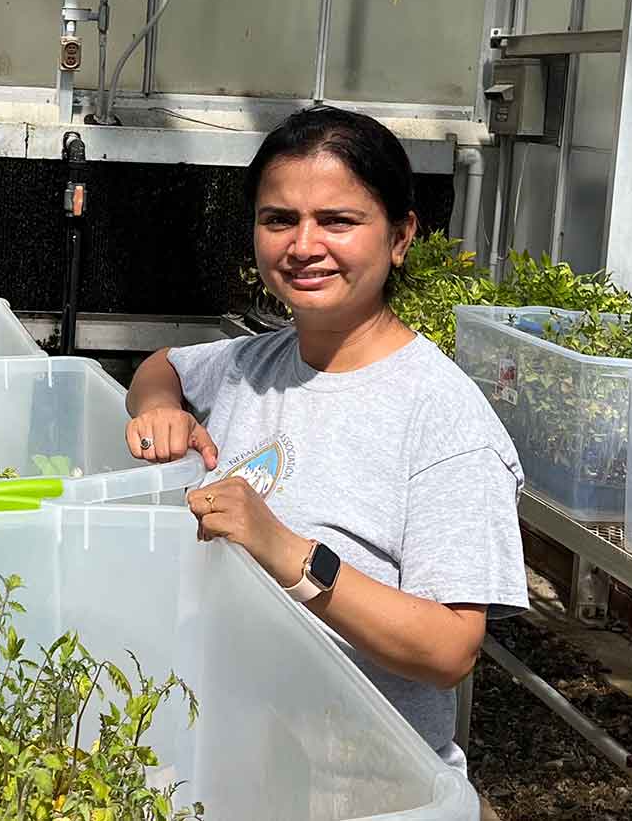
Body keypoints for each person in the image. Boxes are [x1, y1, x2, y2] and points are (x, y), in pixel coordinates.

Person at [124, 105, 528, 774]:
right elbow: (159, 366)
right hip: (229, 756)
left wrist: (289, 552)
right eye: (278, 219)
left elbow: (451, 648)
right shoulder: (257, 362)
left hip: (358, 782)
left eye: (338, 221)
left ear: (399, 237)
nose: (303, 245)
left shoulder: (443, 417)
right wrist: (162, 406)